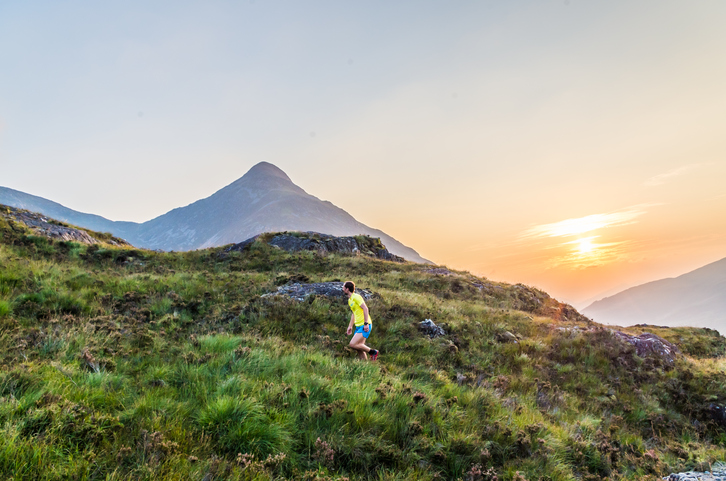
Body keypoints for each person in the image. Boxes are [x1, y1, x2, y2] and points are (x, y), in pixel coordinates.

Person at [342, 280, 379, 361]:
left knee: (352, 344)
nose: (342, 288)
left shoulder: (356, 297)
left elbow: (365, 308)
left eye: (343, 287)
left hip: (365, 324)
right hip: (358, 325)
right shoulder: (350, 300)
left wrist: (366, 323)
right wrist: (350, 326)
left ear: (347, 289)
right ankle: (365, 365)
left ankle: (373, 352)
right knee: (359, 348)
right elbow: (353, 313)